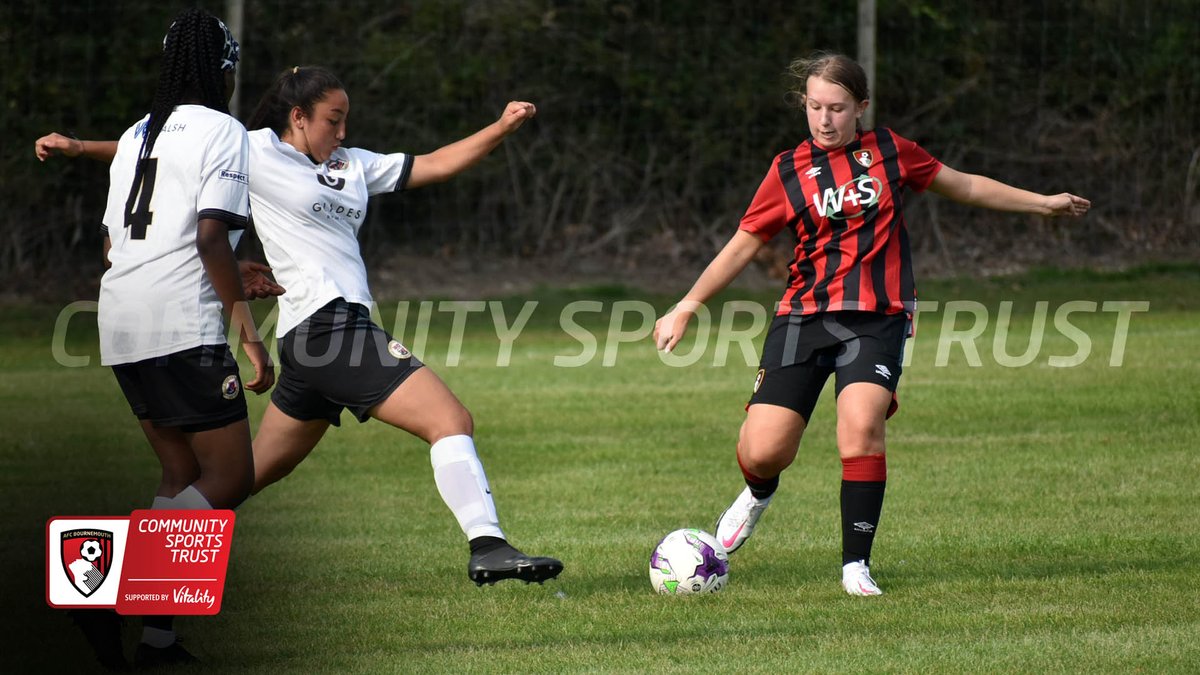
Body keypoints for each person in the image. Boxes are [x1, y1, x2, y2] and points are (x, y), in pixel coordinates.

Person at [40, 66, 563, 588]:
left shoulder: (352, 165)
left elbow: (435, 164)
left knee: (237, 479)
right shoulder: (253, 149)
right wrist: (81, 148)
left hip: (311, 343)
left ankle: (128, 578)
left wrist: (500, 128)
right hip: (325, 328)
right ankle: (488, 545)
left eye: (345, 121)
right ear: (298, 116)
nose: (342, 133)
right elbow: (166, 153)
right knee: (450, 420)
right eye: (333, 120)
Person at [653, 52, 1090, 597]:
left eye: (837, 108)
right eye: (814, 107)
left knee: (861, 428)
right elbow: (744, 244)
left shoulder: (890, 151)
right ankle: (758, 492)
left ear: (861, 107)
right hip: (803, 316)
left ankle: (855, 566)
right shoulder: (787, 170)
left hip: (877, 318)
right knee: (765, 449)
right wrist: (688, 304)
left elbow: (967, 185)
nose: (825, 119)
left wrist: (1041, 204)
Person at [61, 8, 271, 669]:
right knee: (230, 473)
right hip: (182, 321)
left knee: (181, 472)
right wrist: (249, 333)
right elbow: (210, 234)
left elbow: (110, 243)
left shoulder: (135, 133)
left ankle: (157, 641)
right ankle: (102, 587)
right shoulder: (224, 131)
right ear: (224, 70)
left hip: (121, 318)